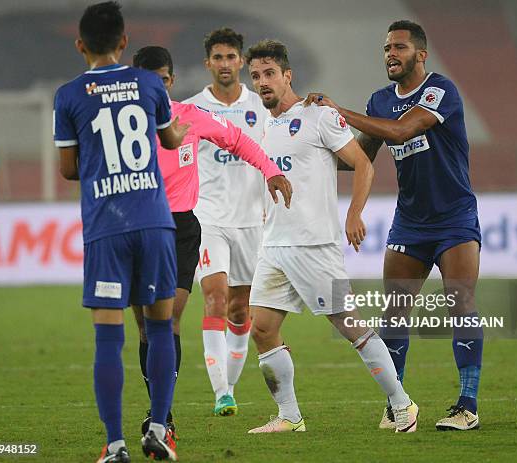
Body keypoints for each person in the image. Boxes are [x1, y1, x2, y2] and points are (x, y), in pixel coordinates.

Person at [306, 20, 483, 431]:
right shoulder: (380, 101)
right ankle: (398, 404)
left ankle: (467, 406)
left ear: (420, 54)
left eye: (399, 47)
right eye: (387, 47)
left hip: (454, 217)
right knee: (395, 311)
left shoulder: (441, 91)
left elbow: (404, 130)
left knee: (461, 306)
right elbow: (358, 158)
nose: (390, 54)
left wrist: (339, 111)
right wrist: (306, 151)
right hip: (410, 222)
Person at [244, 39, 418, 434]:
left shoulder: (318, 115)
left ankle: (402, 405)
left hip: (314, 246)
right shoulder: (263, 123)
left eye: (270, 73)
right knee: (262, 329)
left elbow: (363, 165)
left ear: (287, 75)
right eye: (255, 76)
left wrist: (354, 213)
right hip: (274, 246)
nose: (262, 82)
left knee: (349, 324)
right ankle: (289, 416)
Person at [130, 45, 292, 432]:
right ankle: (161, 410)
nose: (156, 87)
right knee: (143, 329)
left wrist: (271, 170)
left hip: (181, 227)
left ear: (170, 81)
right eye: (147, 81)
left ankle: (161, 417)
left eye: (162, 80)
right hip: (135, 228)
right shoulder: (120, 127)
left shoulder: (191, 116)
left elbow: (238, 140)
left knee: (167, 322)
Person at [53, 2, 188, 461]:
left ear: (79, 45)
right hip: (154, 220)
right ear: (124, 43)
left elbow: (69, 169)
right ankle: (158, 427)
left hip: (106, 227)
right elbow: (170, 140)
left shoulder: (68, 95)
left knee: (108, 336)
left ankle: (115, 446)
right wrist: (180, 128)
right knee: (160, 326)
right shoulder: (149, 82)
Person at [182, 28, 273, 416]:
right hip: (208, 218)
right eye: (217, 58)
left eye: (230, 57)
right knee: (215, 299)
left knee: (240, 311)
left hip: (252, 220)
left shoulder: (262, 107)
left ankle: (229, 386)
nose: (224, 64)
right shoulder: (190, 108)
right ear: (208, 63)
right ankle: (221, 391)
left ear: (240, 61)